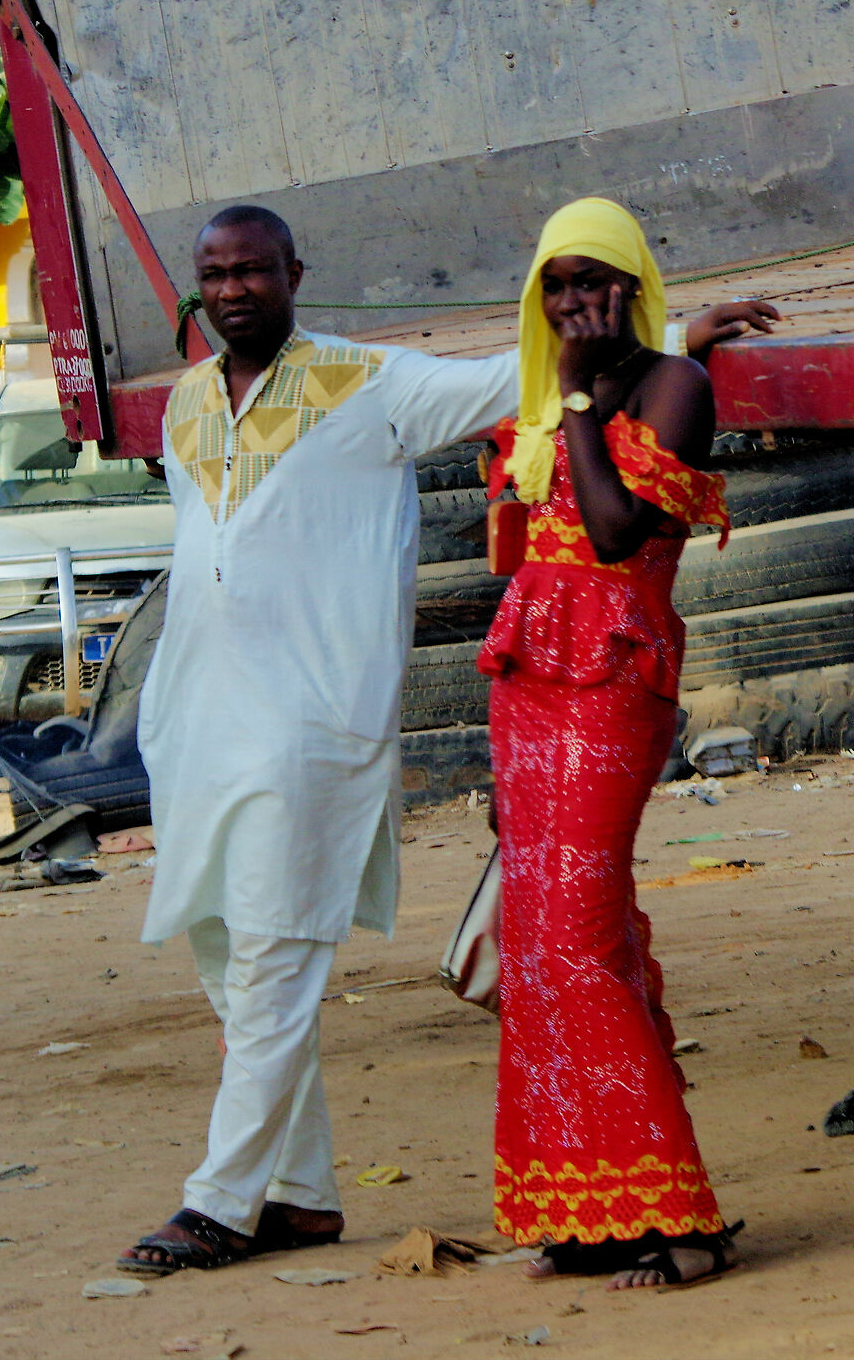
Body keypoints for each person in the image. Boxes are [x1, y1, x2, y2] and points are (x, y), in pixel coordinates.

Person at [118, 204, 774, 1276]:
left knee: (296, 953)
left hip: (324, 722)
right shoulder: (187, 401)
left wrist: (672, 334)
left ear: (296, 272)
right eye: (215, 275)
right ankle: (304, 1194)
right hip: (209, 718)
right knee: (233, 957)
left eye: (254, 271)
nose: (233, 290)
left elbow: (523, 384)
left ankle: (220, 1202)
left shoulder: (369, 384)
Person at [478, 197, 748, 1291]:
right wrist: (570, 394)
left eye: (593, 280)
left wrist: (586, 398)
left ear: (632, 284)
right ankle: (588, 1214)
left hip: (613, 683)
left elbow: (614, 531)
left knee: (580, 940)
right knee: (536, 947)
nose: (573, 301)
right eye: (556, 284)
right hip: (528, 683)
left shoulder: (674, 387)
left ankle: (684, 1221)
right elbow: (525, 544)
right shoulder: (542, 398)